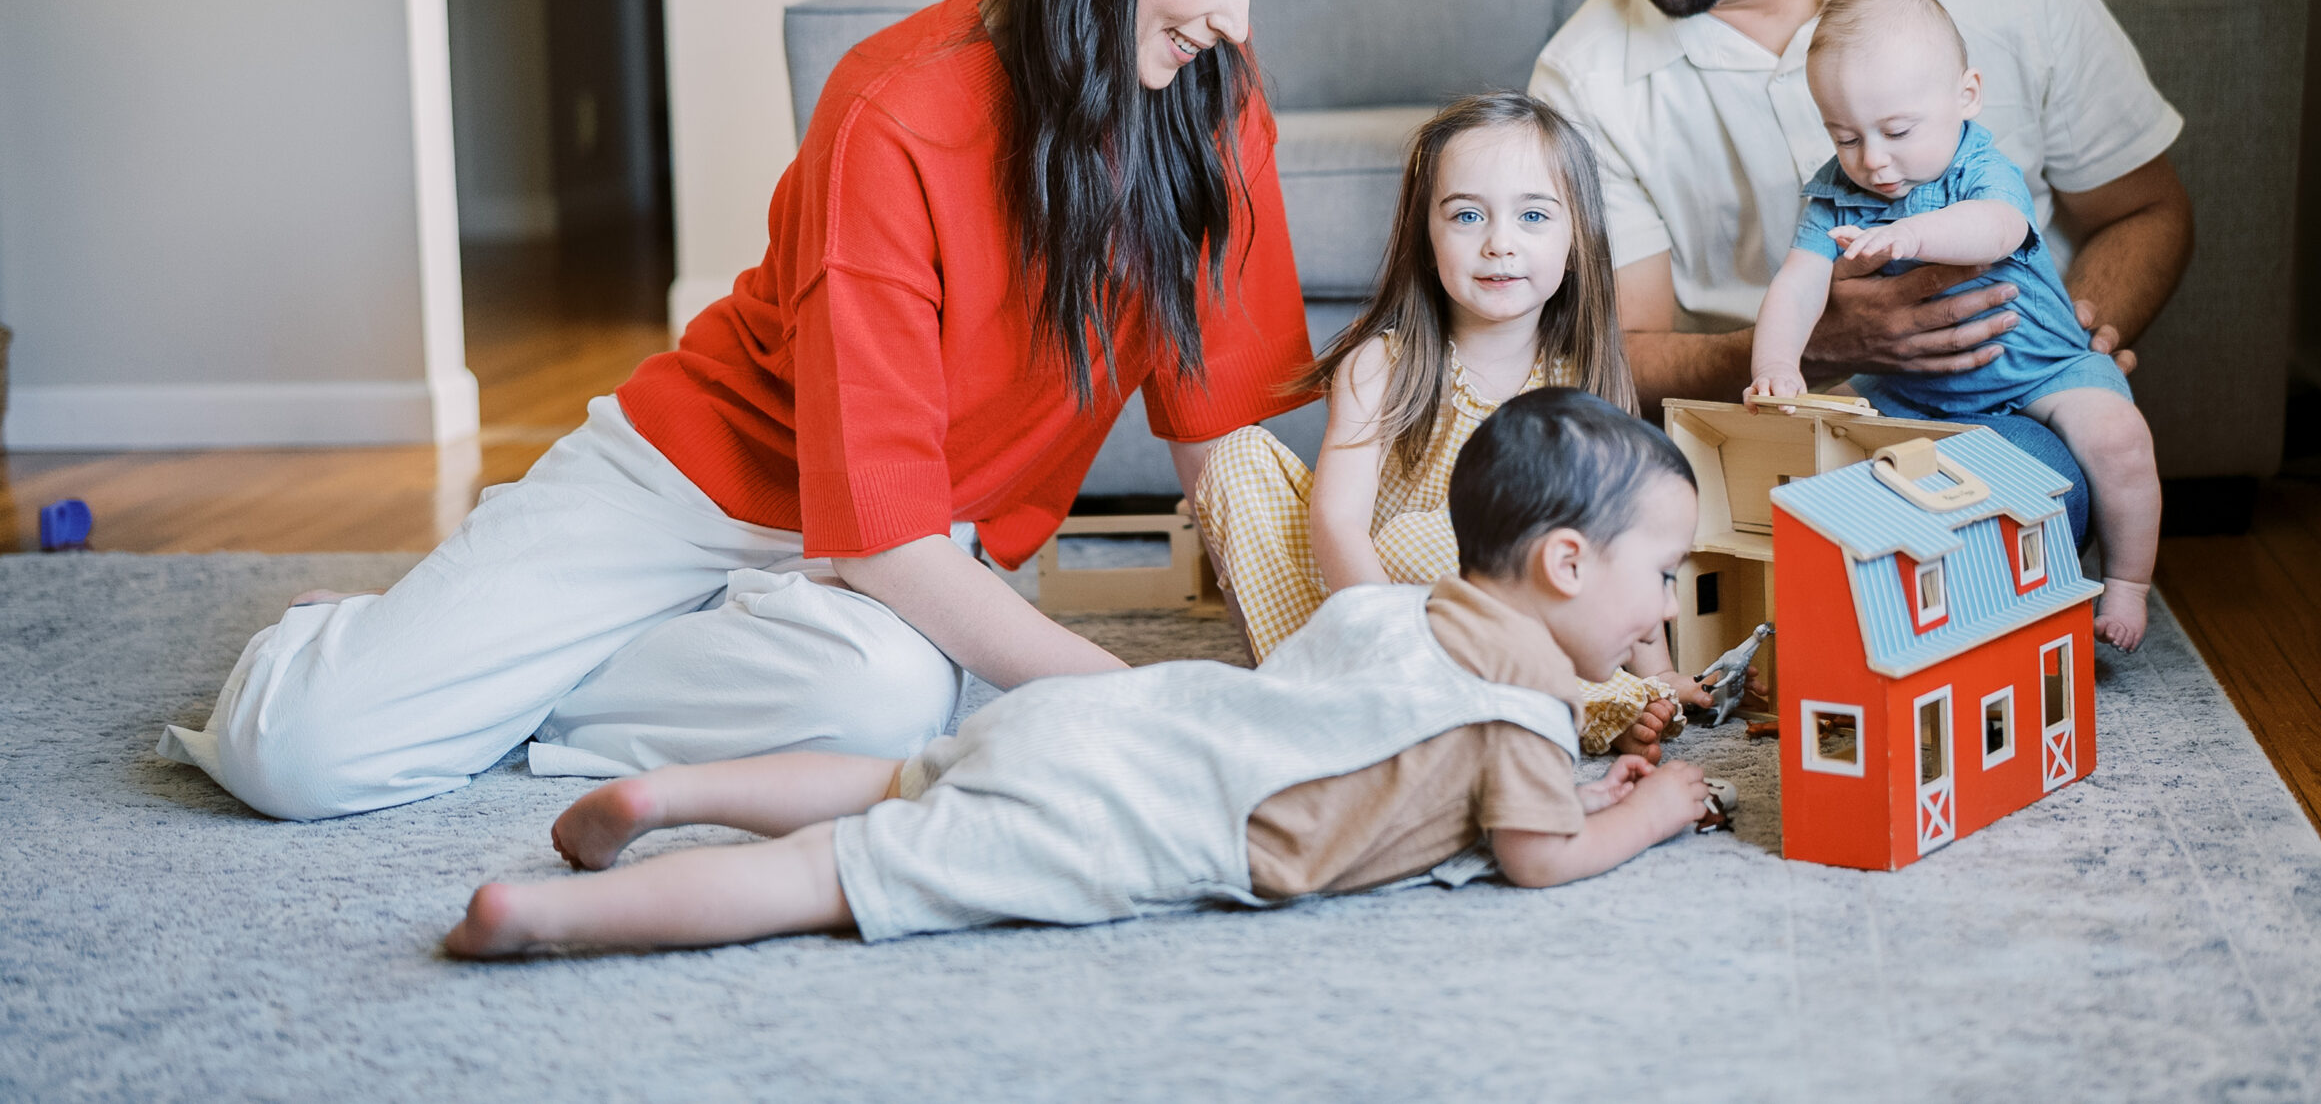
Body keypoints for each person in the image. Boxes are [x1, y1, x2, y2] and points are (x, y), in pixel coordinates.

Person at [160, 0, 1321, 821]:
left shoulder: (1217, 107)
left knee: (881, 709)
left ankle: (495, 676)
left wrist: (1322, 659)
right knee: (298, 758)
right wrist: (1147, 707)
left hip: (911, 541)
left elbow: (1220, 443)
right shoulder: (897, 109)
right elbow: (882, 545)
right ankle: (355, 648)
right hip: (698, 481)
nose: (1234, 21)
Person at [443, 389, 1719, 955]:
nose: (1665, 602)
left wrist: (1579, 784)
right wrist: (1653, 806)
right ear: (1561, 563)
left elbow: (1425, 768)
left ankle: (673, 795)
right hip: (1135, 818)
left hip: (1120, 720)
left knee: (895, 778)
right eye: (1658, 573)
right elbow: (1532, 851)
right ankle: (546, 918)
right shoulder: (1514, 721)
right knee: (836, 877)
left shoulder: (1396, 612)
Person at [1529, 0, 2194, 539]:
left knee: (1988, 507)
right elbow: (1621, 351)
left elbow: (2148, 208)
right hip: (1763, 438)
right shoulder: (1582, 79)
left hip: (2006, 414)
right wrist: (1819, 342)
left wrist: (2075, 332)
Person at [1193, 92, 1702, 758]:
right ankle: (1351, 696)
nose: (1500, 243)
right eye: (1467, 214)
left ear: (1576, 240)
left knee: (1457, 542)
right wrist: (1392, 639)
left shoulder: (1582, 379)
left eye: (1532, 216)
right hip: (1363, 610)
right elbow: (1338, 523)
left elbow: (1619, 545)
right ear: (1426, 238)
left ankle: (1537, 696)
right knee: (1238, 459)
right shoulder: (1381, 363)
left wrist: (1657, 671)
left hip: (1499, 619)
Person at [1748, 0, 2157, 647]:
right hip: (1910, 394)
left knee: (2119, 438)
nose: (1873, 161)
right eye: (1845, 135)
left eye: (1897, 130)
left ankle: (2128, 584)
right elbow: (1798, 283)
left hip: (2040, 373)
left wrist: (1914, 235)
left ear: (1966, 95)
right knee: (1839, 475)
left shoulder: (1977, 166)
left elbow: (1993, 229)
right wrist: (1775, 363)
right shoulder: (1836, 194)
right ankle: (1863, 612)